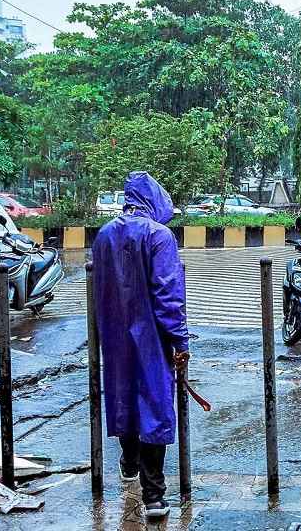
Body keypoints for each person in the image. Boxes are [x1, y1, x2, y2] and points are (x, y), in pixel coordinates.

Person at [92, 171, 190, 518]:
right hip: (151, 337)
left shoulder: (104, 236)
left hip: (115, 335)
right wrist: (179, 340)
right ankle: (154, 496)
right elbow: (169, 294)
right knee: (155, 404)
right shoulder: (160, 237)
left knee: (123, 398)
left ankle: (128, 464)